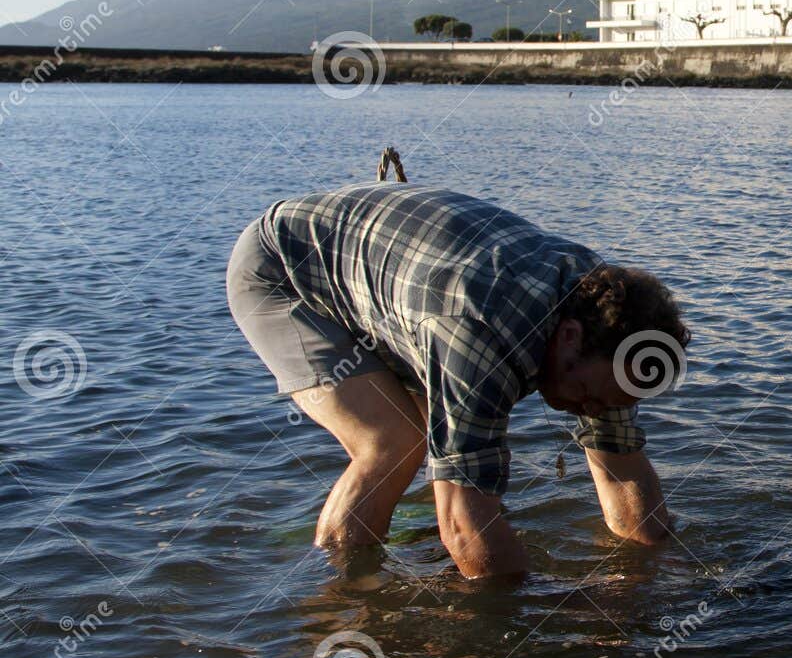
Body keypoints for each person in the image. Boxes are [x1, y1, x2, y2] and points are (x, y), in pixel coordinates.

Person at [225, 182, 689, 578]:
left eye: (607, 403)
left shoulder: (612, 325)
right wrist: (522, 619)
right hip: (284, 268)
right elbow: (466, 529)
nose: (592, 411)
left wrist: (658, 575)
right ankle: (342, 587)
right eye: (590, 397)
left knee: (447, 449)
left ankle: (402, 546)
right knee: (393, 442)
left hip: (406, 278)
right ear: (570, 338)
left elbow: (622, 474)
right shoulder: (481, 333)